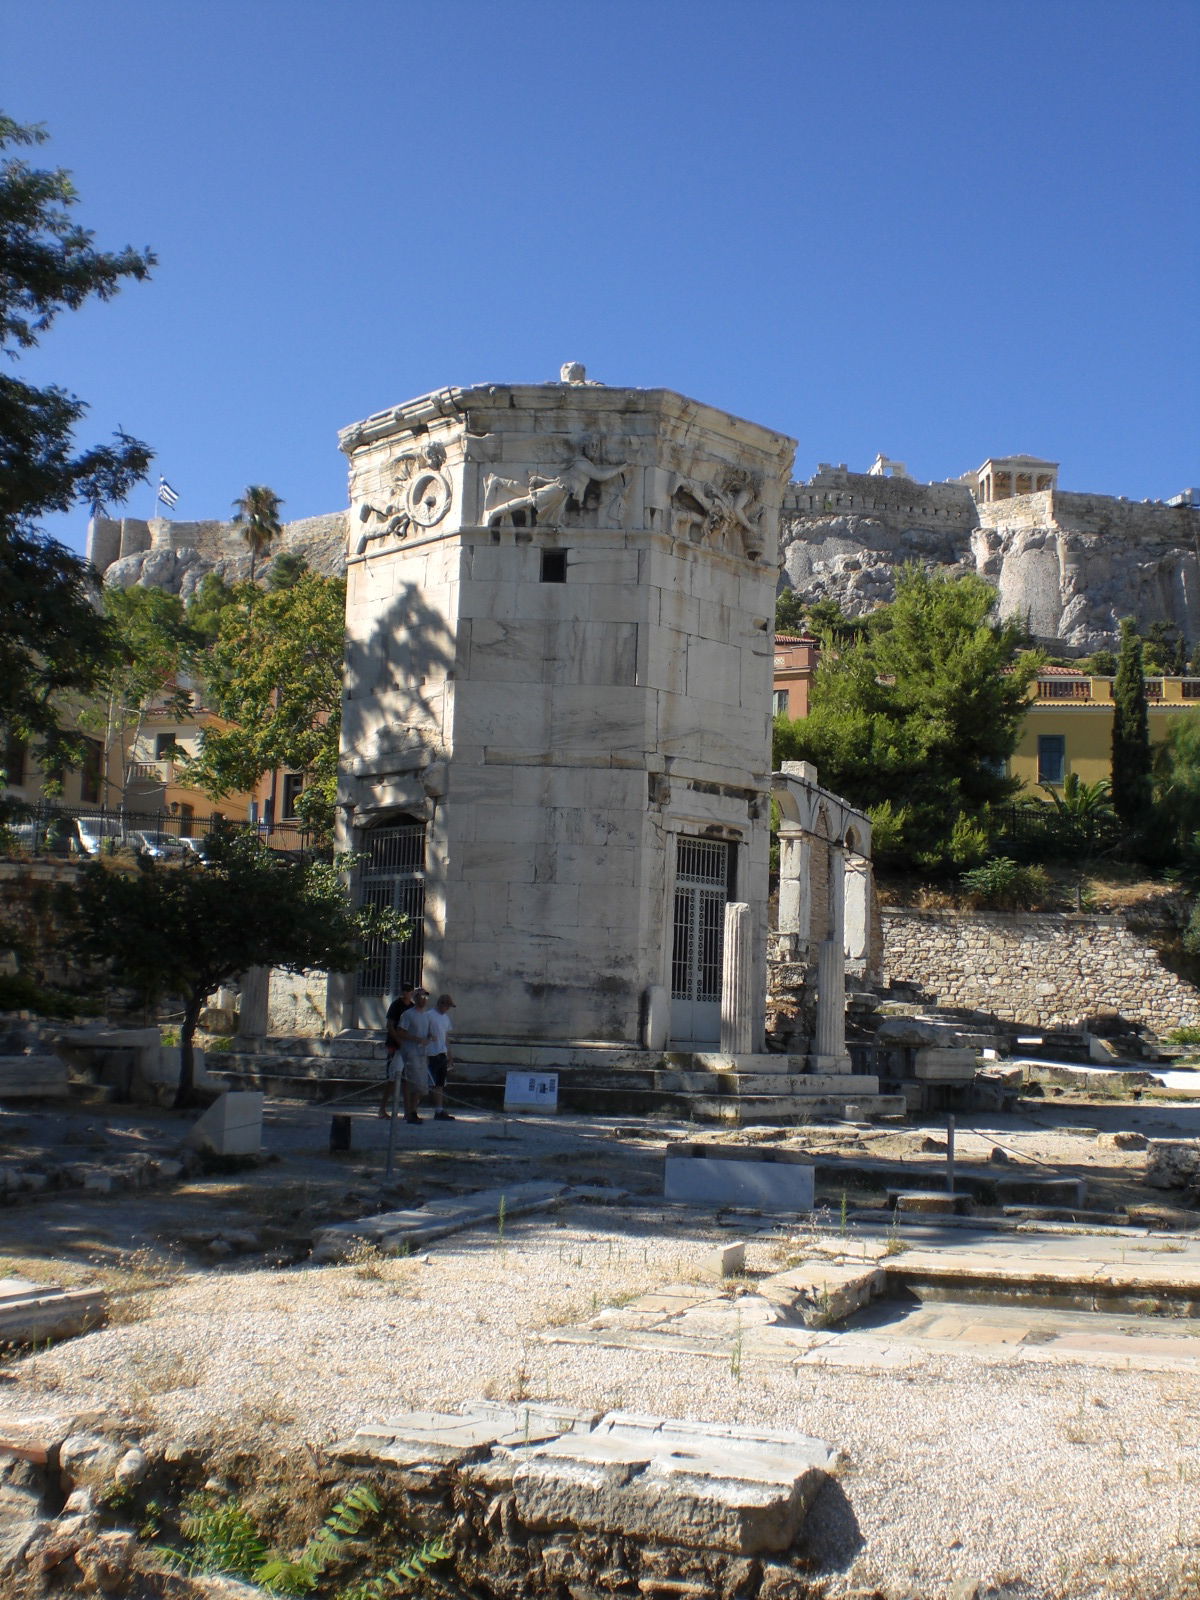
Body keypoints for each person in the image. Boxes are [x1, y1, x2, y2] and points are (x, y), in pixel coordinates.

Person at [398, 988, 436, 1124]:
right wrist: (416, 1039)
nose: (424, 999)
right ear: (415, 998)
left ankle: (414, 1110)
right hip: (410, 1052)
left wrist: (431, 1037)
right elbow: (401, 1032)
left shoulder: (426, 1016)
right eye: (421, 997)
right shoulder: (408, 1014)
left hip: (422, 1053)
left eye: (426, 997)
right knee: (411, 1081)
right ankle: (408, 1111)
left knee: (420, 1084)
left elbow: (428, 1033)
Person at [379, 983, 414, 1118]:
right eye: (404, 990)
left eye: (409, 990)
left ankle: (407, 1111)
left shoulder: (412, 1007)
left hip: (407, 1047)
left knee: (406, 1079)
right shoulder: (396, 1005)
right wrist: (398, 1040)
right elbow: (390, 1025)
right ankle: (382, 1109)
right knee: (392, 1078)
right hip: (395, 1046)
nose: (406, 993)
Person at [426, 994, 456, 1121]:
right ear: (441, 1003)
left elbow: (446, 1037)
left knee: (440, 1083)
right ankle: (411, 1109)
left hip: (441, 1053)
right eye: (447, 1006)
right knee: (426, 1083)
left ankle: (439, 1110)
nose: (448, 1008)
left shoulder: (446, 1018)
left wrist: (449, 1054)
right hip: (430, 1054)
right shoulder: (429, 1015)